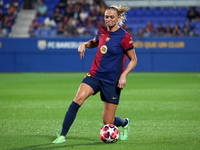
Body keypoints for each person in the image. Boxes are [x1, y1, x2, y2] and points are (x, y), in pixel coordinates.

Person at [53, 4, 137, 143]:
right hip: (95, 75)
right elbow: (95, 42)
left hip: (112, 81)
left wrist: (123, 76)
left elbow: (133, 60)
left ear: (118, 18)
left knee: (107, 122)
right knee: (78, 99)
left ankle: (124, 123)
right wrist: (84, 44)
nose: (108, 19)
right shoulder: (102, 31)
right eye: (106, 17)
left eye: (111, 17)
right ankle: (62, 135)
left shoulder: (124, 36)